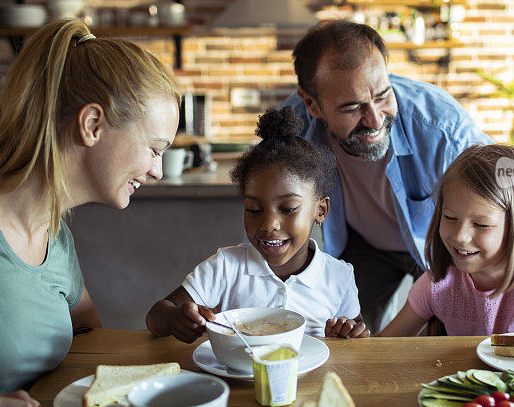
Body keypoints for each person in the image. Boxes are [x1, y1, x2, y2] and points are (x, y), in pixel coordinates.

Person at [0, 19, 181, 407]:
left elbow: (89, 339)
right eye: (154, 148)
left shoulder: (55, 239)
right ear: (92, 124)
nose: (157, 171)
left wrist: (170, 326)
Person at [281, 19, 514, 334]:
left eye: (382, 95)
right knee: (349, 340)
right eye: (352, 108)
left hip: (444, 248)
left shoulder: (441, 125)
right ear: (312, 104)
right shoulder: (289, 129)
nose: (374, 118)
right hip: (361, 245)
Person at [146, 107, 370, 341]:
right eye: (254, 210)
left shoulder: (338, 276)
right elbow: (155, 316)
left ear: (320, 210)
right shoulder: (226, 268)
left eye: (288, 209)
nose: (269, 224)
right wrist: (175, 319)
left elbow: (359, 335)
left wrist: (349, 333)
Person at [378, 144, 514, 336]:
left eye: (481, 225)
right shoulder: (440, 281)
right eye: (450, 218)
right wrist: (354, 335)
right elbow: (381, 349)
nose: (460, 236)